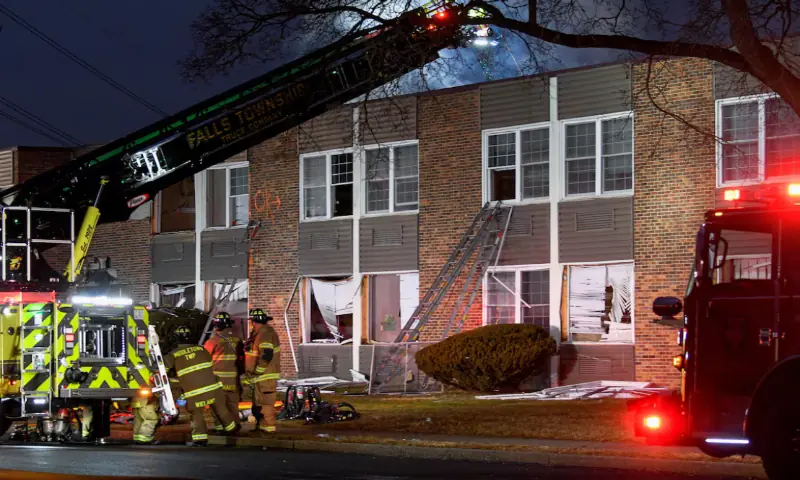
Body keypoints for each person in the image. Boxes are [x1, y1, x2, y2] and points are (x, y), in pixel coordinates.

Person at [164, 325, 238, 446]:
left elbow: (162, 372)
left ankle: (200, 439)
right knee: (221, 410)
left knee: (196, 414)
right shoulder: (201, 349)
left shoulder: (173, 355)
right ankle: (232, 430)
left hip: (194, 393)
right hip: (214, 388)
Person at [203, 311, 244, 431]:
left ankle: (221, 427)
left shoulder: (213, 341)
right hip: (233, 379)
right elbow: (241, 359)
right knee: (232, 404)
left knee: (218, 405)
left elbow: (205, 360)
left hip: (218, 380)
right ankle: (235, 425)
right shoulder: (237, 340)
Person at [242, 308, 281, 435]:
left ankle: (269, 428)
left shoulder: (265, 334)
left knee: (266, 403)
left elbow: (266, 355)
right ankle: (262, 426)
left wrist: (258, 371)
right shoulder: (259, 334)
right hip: (259, 377)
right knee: (259, 403)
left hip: (265, 375)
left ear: (253, 322)